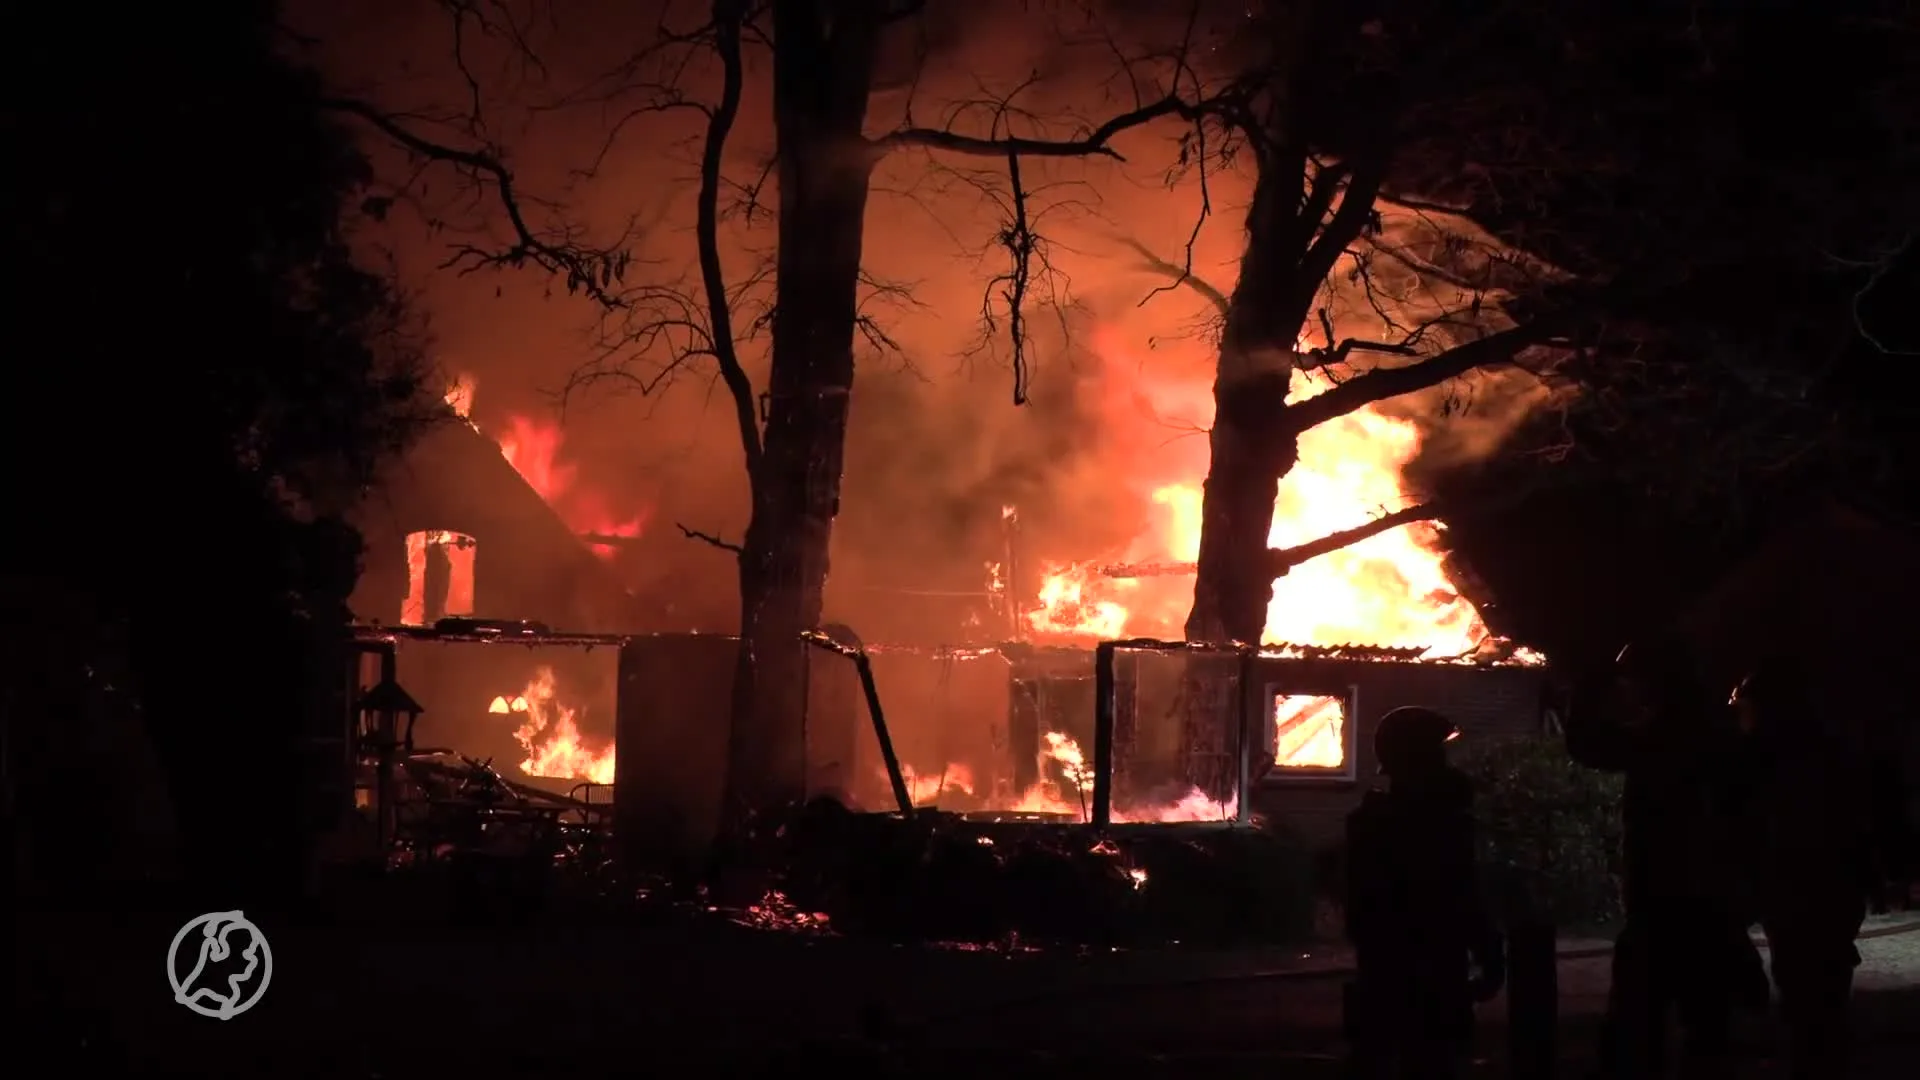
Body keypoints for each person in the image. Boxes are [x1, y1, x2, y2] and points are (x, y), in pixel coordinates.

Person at [1568, 639, 1766, 1078]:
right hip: (1711, 908)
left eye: (1633, 681)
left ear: (1655, 683)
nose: (1630, 692)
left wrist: (1589, 685)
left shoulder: (1664, 737)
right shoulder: (1718, 734)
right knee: (1707, 1031)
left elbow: (1587, 744)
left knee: (1637, 1031)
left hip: (1665, 905)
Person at [1732, 656, 1908, 1079]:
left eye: (1747, 707)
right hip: (1829, 893)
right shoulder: (1828, 751)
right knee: (1822, 995)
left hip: (1803, 893)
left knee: (1807, 998)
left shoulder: (1775, 760)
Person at [1345, 706, 1505, 1079]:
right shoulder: (1437, 825)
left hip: (1384, 968)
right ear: (1418, 759)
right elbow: (1461, 893)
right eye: (1437, 754)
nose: (1445, 764)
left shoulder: (1370, 823)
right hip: (1432, 967)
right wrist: (1490, 953)